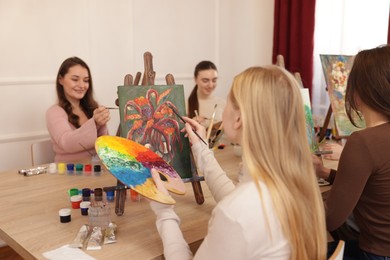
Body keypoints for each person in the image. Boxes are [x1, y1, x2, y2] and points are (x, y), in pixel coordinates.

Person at [150, 66, 327, 259]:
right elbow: (234, 197)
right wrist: (201, 149)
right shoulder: (297, 182)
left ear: (238, 119)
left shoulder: (238, 213)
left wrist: (165, 212)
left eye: (228, 102)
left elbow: (237, 210)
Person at [313, 44, 390, 258]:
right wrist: (325, 173)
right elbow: (374, 187)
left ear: (360, 90)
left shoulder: (364, 142)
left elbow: (330, 218)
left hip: (377, 253)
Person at [46, 57, 110, 162]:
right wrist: (95, 123)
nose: (81, 85)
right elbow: (66, 142)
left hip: (98, 169)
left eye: (86, 80)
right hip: (69, 171)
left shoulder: (93, 108)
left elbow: (104, 144)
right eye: (75, 79)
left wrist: (101, 124)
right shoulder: (54, 112)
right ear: (61, 79)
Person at [187, 61, 226, 128]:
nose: (210, 85)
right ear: (195, 79)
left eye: (214, 80)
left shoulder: (224, 104)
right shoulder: (186, 104)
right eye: (205, 81)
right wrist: (190, 125)